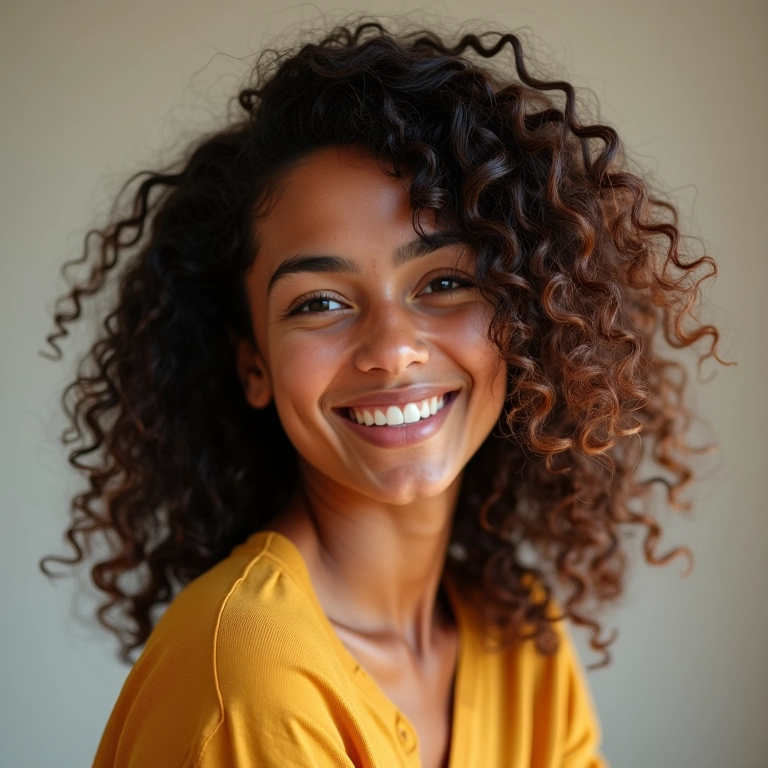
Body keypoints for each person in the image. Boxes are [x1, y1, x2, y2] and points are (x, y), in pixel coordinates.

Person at [40, 19, 725, 768]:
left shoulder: (517, 638)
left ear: (525, 319)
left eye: (445, 283)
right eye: (319, 302)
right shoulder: (247, 673)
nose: (393, 350)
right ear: (254, 365)